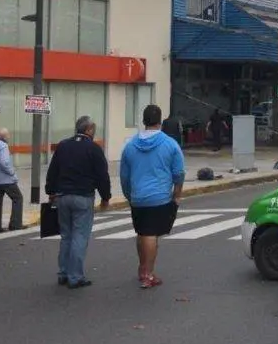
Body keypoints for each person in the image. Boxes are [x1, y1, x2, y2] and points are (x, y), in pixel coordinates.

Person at [120, 105, 186, 289]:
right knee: (151, 234)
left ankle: (142, 268)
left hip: (138, 198)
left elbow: (124, 175)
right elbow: (179, 173)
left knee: (141, 233)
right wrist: (177, 194)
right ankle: (148, 274)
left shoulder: (130, 145)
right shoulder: (170, 144)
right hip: (159, 197)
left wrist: (129, 195)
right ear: (160, 121)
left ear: (144, 120)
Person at [45, 116, 112, 289]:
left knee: (66, 236)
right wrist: (106, 197)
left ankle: (63, 273)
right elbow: (102, 176)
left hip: (63, 196)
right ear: (88, 130)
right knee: (79, 236)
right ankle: (75, 276)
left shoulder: (63, 146)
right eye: (93, 129)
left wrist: (51, 192)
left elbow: (53, 170)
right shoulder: (94, 149)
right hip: (83, 197)